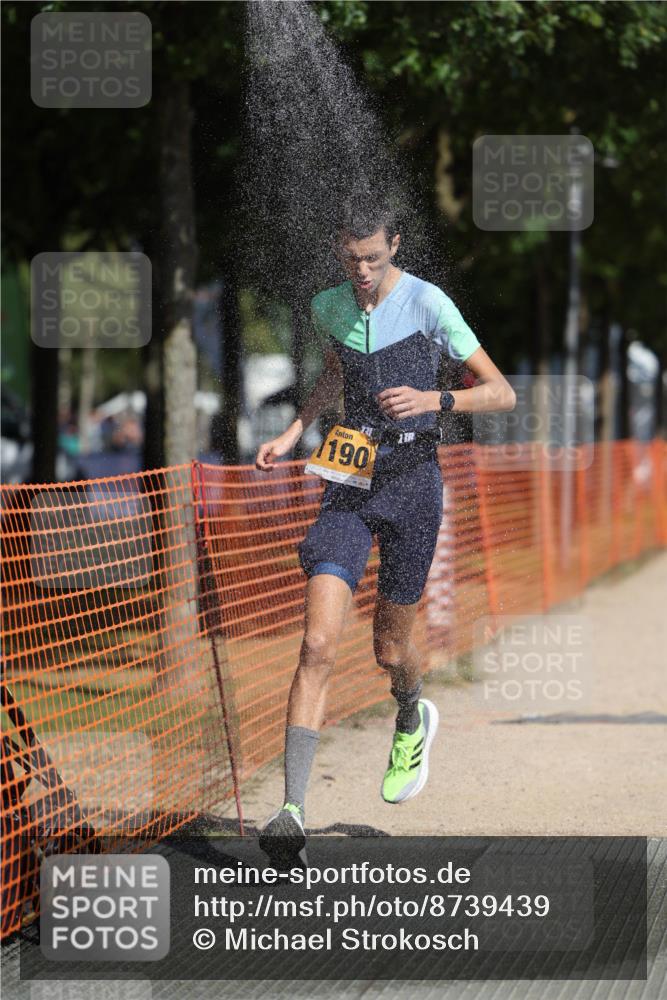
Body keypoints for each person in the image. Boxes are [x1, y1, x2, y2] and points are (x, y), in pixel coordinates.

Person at [254, 200, 515, 866]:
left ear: (393, 243)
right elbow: (336, 372)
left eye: (373, 257)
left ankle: (409, 713)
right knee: (315, 642)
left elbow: (500, 392)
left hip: (413, 485)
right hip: (348, 480)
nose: (362, 271)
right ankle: (291, 811)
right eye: (350, 259)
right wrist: (293, 428)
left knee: (389, 649)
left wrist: (435, 400)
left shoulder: (430, 304)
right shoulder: (327, 307)